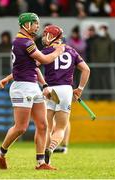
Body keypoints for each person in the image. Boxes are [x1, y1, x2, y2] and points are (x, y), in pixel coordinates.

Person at [0, 12, 64, 170]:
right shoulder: (24, 42)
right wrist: (58, 51)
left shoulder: (26, 41)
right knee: (21, 128)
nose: (37, 26)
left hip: (33, 86)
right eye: (34, 23)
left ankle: (41, 163)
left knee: (43, 125)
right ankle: (1, 152)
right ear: (26, 24)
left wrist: (45, 85)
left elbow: (31, 67)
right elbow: (45, 60)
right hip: (22, 88)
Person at [39, 25, 90, 164]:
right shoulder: (71, 50)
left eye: (46, 34)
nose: (44, 37)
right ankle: (52, 148)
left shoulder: (46, 50)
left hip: (50, 90)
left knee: (48, 127)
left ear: (52, 36)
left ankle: (45, 159)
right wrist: (79, 89)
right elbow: (86, 70)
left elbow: (34, 66)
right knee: (61, 127)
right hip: (66, 91)